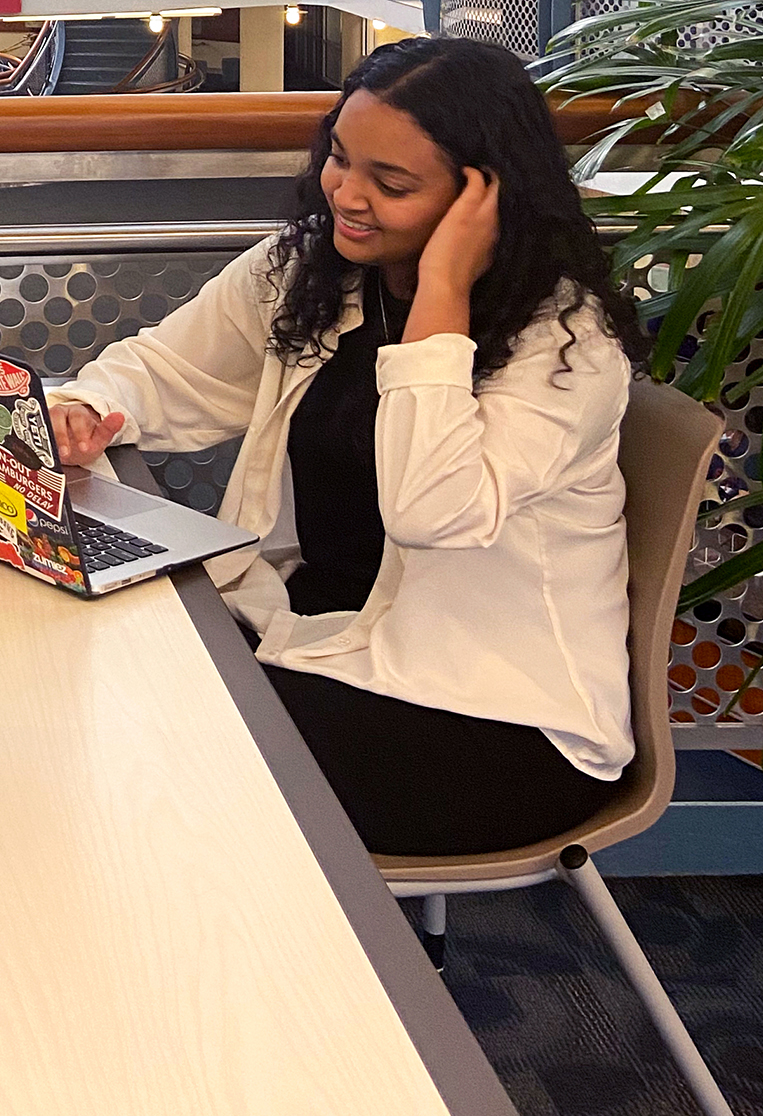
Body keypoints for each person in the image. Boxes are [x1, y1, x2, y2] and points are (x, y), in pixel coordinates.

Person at [49, 37, 650, 856]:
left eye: (391, 183)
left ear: (487, 201)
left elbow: (431, 510)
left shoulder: (564, 343)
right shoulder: (313, 272)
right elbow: (163, 369)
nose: (347, 195)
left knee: (153, 757)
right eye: (340, 157)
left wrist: (441, 291)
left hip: (493, 716)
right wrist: (92, 409)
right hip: (320, 637)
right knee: (101, 688)